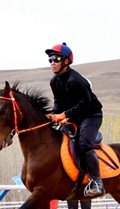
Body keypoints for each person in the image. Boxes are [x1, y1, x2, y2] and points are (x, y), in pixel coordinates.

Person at [45, 42, 105, 197]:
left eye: (56, 59)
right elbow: (58, 102)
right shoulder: (54, 81)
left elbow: (85, 104)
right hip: (75, 117)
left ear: (66, 61)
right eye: (50, 59)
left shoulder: (76, 80)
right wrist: (54, 114)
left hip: (91, 115)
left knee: (84, 144)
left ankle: (97, 182)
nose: (52, 62)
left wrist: (64, 115)